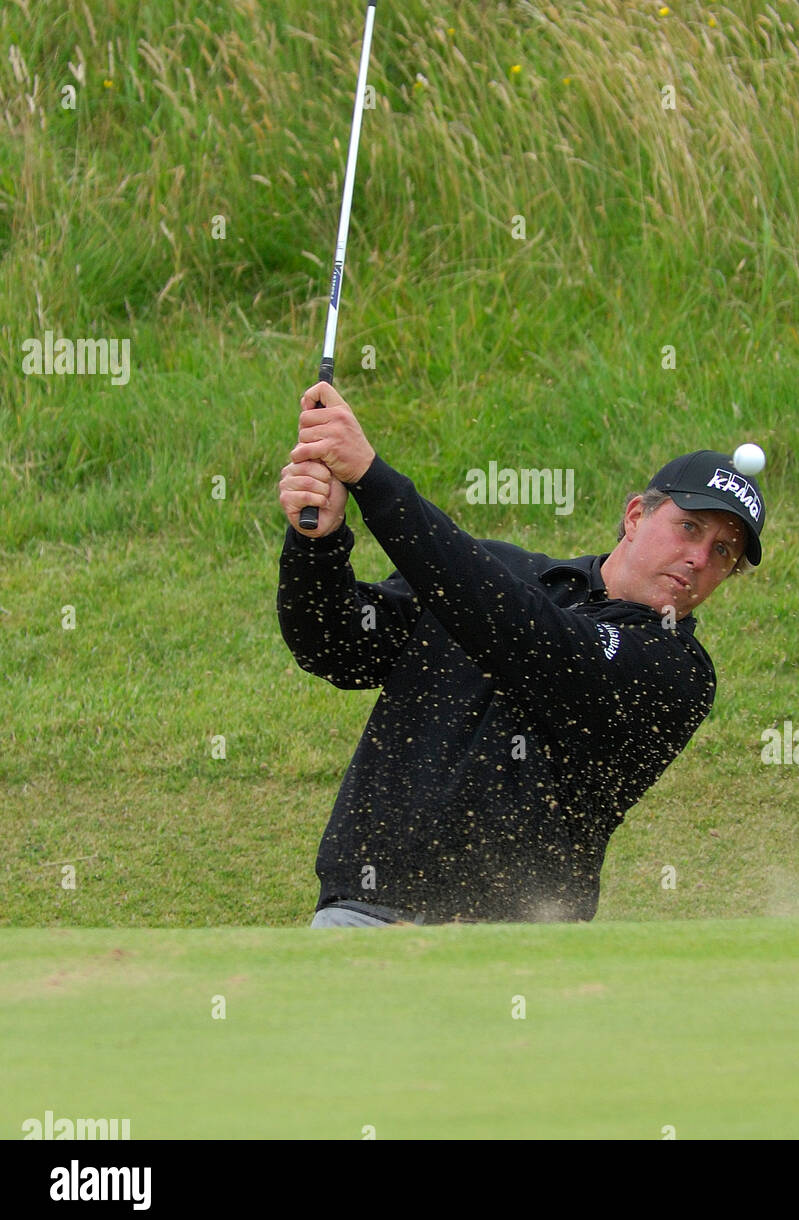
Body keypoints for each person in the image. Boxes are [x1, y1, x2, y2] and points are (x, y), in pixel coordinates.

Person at [277, 382, 766, 928]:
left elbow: (533, 637)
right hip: (364, 912)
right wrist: (315, 543)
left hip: (517, 945)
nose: (698, 557)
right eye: (689, 527)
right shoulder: (496, 571)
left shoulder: (676, 670)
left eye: (722, 552)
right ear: (634, 516)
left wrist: (372, 479)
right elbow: (336, 647)